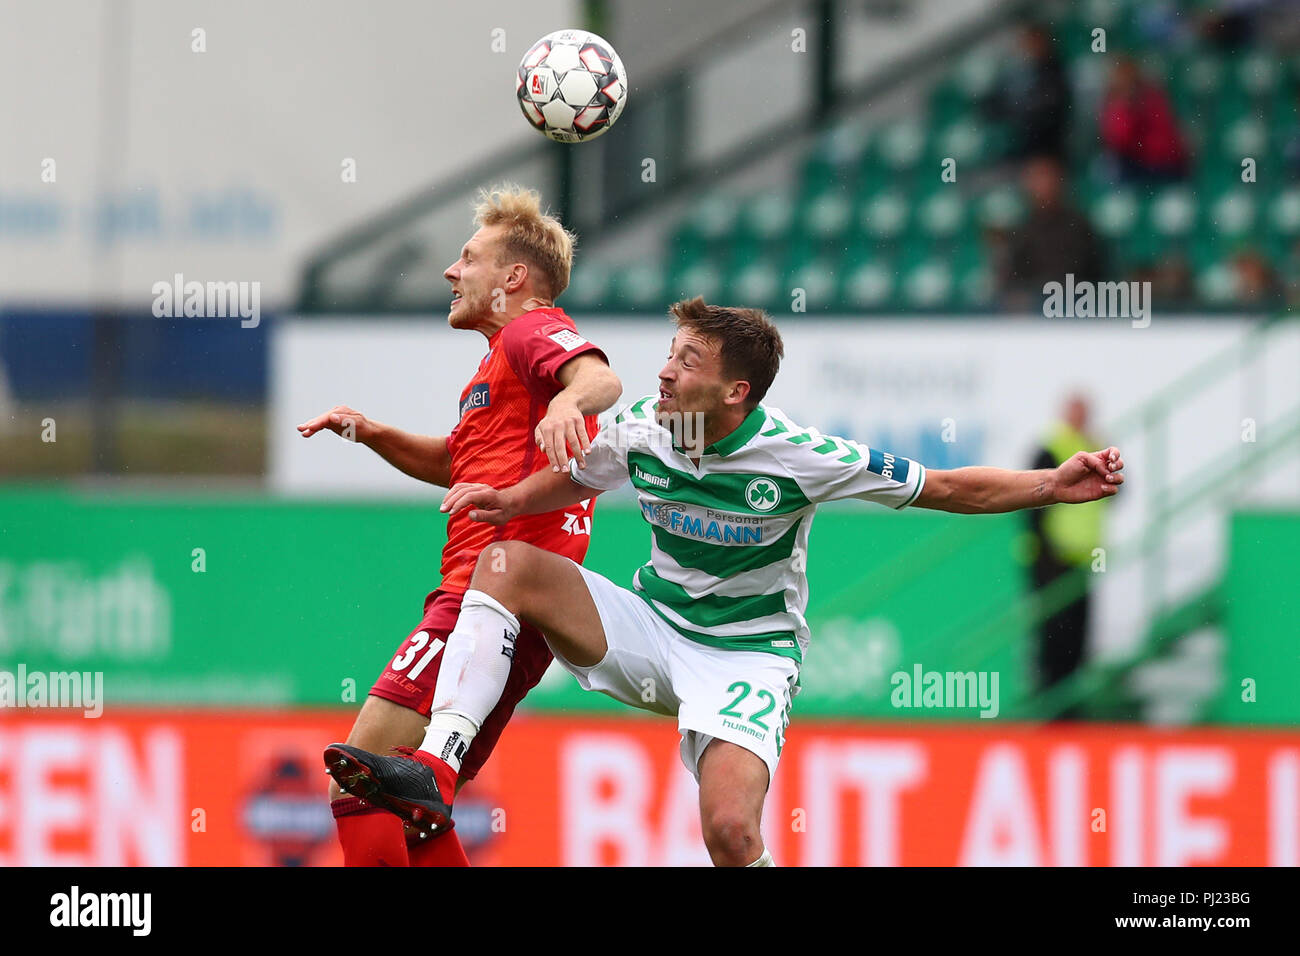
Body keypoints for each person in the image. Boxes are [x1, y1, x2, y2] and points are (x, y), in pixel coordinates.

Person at [325, 298, 1125, 866]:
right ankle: (437, 764)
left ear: (736, 391)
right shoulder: (645, 426)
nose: (665, 373)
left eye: (688, 362)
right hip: (653, 626)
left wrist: (1054, 483)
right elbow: (578, 479)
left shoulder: (803, 455)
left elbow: (946, 487)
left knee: (732, 835)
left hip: (745, 657)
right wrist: (508, 498)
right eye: (671, 355)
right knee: (505, 562)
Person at [299, 185, 621, 866]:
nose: (451, 271)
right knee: (418, 805)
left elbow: (599, 379)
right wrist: (374, 433)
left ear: (513, 278)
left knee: (356, 780)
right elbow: (460, 462)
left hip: (485, 604)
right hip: (504, 611)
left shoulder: (532, 330)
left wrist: (570, 403)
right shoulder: (499, 362)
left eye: (468, 258)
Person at [1024, 393, 1109, 717]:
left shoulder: (1096, 446)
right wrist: (1044, 554)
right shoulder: (1050, 447)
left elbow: (1119, 491)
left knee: (1077, 642)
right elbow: (1032, 502)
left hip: (1083, 562)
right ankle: (1050, 715)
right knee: (1052, 641)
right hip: (1052, 562)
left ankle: (1070, 715)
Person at [1000, 156, 1106, 309]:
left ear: (1060, 181)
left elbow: (1098, 275)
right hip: (1034, 313)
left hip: (1078, 310)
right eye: (1037, 178)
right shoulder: (1021, 230)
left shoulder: (1079, 227)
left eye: (1047, 177)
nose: (1043, 185)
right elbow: (1012, 284)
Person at [1098, 57, 1190, 184]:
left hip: (1163, 166)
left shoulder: (1152, 98)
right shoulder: (1115, 105)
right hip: (1135, 166)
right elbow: (1119, 139)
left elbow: (1166, 141)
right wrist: (1126, 108)